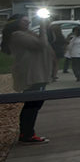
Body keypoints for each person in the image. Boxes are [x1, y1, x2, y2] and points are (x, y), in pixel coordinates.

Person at [2, 15, 57, 144]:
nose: (28, 23)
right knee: (32, 105)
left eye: (28, 21)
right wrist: (42, 28)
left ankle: (27, 133)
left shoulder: (26, 33)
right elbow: (40, 45)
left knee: (34, 104)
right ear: (15, 23)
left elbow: (49, 42)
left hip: (37, 73)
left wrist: (47, 27)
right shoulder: (17, 35)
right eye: (24, 21)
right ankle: (27, 134)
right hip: (32, 74)